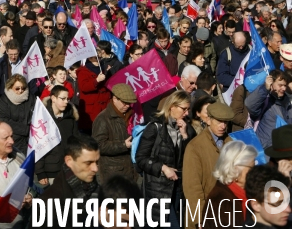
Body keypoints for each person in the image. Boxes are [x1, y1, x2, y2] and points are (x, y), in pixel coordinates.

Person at [136, 90, 196, 227]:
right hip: (158, 190)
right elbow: (141, 158)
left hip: (178, 189)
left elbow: (190, 158)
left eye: (188, 109)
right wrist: (163, 168)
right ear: (172, 107)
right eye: (184, 109)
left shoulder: (187, 128)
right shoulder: (155, 127)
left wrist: (185, 136)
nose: (186, 113)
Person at [182, 102, 234, 229]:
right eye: (219, 121)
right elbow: (192, 187)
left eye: (225, 122)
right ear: (209, 120)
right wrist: (201, 217)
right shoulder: (195, 147)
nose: (223, 126)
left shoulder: (231, 143)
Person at [37, 136, 100, 227]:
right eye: (88, 163)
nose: (95, 168)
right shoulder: (47, 204)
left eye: (97, 162)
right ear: (69, 161)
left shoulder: (100, 192)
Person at [201, 141, 257, 229]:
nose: (255, 172)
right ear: (236, 170)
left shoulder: (249, 192)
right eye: (251, 169)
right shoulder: (221, 202)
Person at [92, 84, 139, 185]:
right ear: (114, 99)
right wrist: (123, 145)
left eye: (129, 103)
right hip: (113, 173)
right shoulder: (103, 119)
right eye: (124, 102)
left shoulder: (132, 115)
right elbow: (98, 145)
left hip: (130, 170)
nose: (127, 105)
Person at [35, 86, 80, 186]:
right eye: (63, 98)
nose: (66, 102)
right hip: (51, 169)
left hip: (69, 168)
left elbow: (76, 143)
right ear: (53, 98)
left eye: (68, 99)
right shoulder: (42, 118)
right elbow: (38, 146)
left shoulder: (70, 118)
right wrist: (40, 172)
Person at [246, 70, 292, 148]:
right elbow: (250, 105)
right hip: (266, 151)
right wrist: (265, 88)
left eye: (285, 85)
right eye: (280, 85)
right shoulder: (265, 100)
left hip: (284, 149)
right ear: (271, 83)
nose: (284, 88)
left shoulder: (287, 102)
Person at [0, 74, 35, 154]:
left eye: (23, 88)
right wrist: (25, 129)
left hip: (30, 139)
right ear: (11, 87)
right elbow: (4, 120)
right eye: (17, 88)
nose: (21, 91)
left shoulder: (31, 98)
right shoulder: (4, 100)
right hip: (13, 139)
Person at [76, 58, 110, 132]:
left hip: (104, 106)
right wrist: (96, 80)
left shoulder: (103, 68)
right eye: (96, 54)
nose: (98, 55)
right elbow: (84, 87)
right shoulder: (83, 71)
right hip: (91, 110)